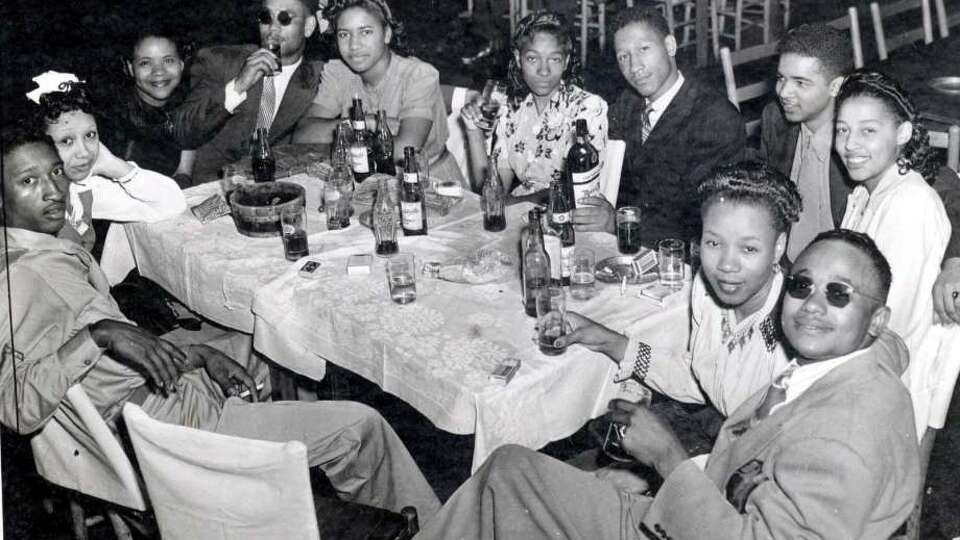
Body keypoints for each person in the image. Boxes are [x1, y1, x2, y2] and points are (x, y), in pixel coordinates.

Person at [0, 128, 441, 520]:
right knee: (362, 428)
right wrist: (100, 334)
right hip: (170, 428)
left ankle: (289, 475)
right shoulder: (23, 277)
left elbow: (111, 349)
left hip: (151, 393)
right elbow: (15, 406)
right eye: (28, 181)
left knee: (271, 340)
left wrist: (199, 354)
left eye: (55, 173)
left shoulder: (41, 250)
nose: (53, 191)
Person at [415, 229, 919, 539]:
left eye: (839, 294)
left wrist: (666, 461)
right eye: (803, 286)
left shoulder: (843, 434)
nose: (812, 305)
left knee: (508, 478)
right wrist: (661, 481)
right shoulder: (855, 362)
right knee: (515, 474)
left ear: (876, 319)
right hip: (706, 502)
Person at [556, 161, 798, 425]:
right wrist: (607, 340)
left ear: (778, 247)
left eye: (748, 249)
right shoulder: (706, 290)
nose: (727, 265)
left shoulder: (792, 332)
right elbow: (699, 380)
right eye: (714, 243)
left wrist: (667, 455)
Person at [759, 23, 960, 316]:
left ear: (835, 86)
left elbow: (945, 188)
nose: (784, 93)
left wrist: (955, 263)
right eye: (781, 78)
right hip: (789, 276)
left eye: (801, 83)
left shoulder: (863, 148)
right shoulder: (776, 120)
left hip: (843, 295)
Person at [834, 70, 951, 446]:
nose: (850, 144)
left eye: (868, 131)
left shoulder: (909, 205)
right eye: (842, 130)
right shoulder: (866, 192)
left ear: (902, 134)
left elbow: (890, 324)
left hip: (888, 382)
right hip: (862, 359)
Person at [573, 4, 745, 245]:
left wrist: (618, 222)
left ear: (670, 46)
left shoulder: (715, 119)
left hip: (680, 258)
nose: (634, 67)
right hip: (632, 247)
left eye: (644, 49)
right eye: (624, 56)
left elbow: (703, 224)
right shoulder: (628, 104)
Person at [295, 0, 463, 184]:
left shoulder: (418, 75)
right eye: (344, 34)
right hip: (370, 182)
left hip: (433, 183)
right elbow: (302, 136)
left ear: (387, 34)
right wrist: (369, 123)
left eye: (365, 32)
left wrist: (347, 135)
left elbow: (404, 151)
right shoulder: (338, 72)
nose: (354, 45)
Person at [28, 73, 186, 257]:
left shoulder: (83, 187)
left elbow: (172, 203)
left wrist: (115, 166)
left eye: (90, 135)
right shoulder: (25, 202)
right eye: (66, 141)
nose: (85, 152)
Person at [459, 11, 607, 196]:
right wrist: (474, 133)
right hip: (520, 215)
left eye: (554, 59)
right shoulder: (511, 109)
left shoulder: (587, 107)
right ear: (518, 59)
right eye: (532, 58)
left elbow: (577, 194)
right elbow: (492, 193)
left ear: (566, 61)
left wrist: (513, 203)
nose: (543, 71)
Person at [176, 0, 322, 181]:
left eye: (284, 19)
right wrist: (238, 86)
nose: (272, 29)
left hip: (276, 189)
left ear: (309, 26)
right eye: (266, 18)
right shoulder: (220, 60)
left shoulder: (320, 78)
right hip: (213, 188)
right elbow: (182, 131)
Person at [98, 27, 197, 186]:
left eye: (168, 60)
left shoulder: (186, 105)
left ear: (181, 65)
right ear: (131, 69)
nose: (158, 71)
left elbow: (184, 173)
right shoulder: (112, 117)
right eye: (145, 63)